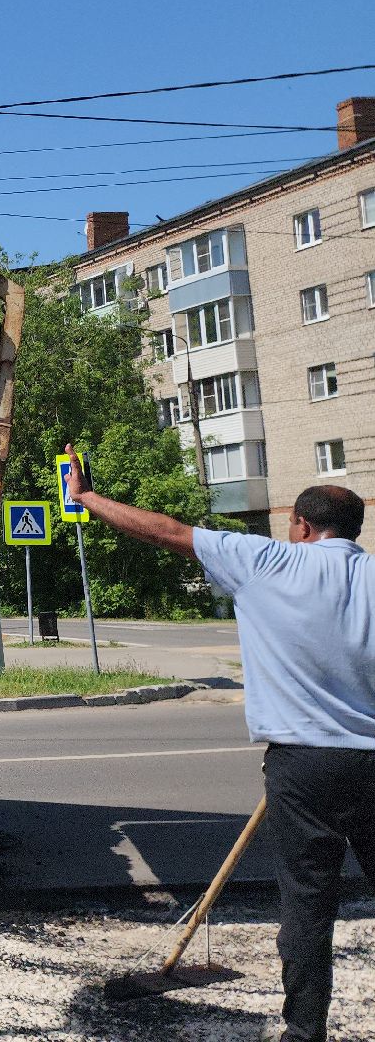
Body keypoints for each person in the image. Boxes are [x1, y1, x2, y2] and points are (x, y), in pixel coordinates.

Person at [62, 444, 373, 1042]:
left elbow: (165, 531)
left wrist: (86, 498)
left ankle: (304, 1033)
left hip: (303, 766)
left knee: (308, 904)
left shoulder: (267, 560)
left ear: (300, 525)